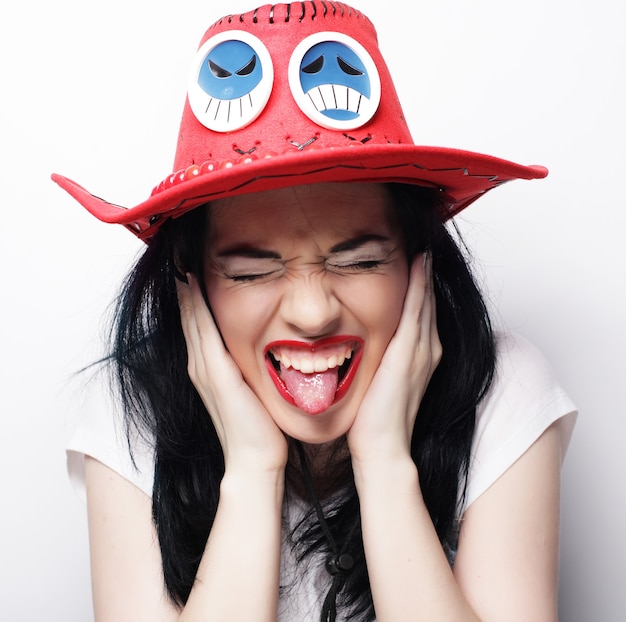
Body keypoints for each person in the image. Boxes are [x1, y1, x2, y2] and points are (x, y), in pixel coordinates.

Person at [53, 3, 577, 621]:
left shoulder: (503, 389)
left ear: (418, 262)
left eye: (357, 261)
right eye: (251, 271)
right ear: (189, 285)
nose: (310, 312)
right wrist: (251, 470)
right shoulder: (132, 411)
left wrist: (385, 463)